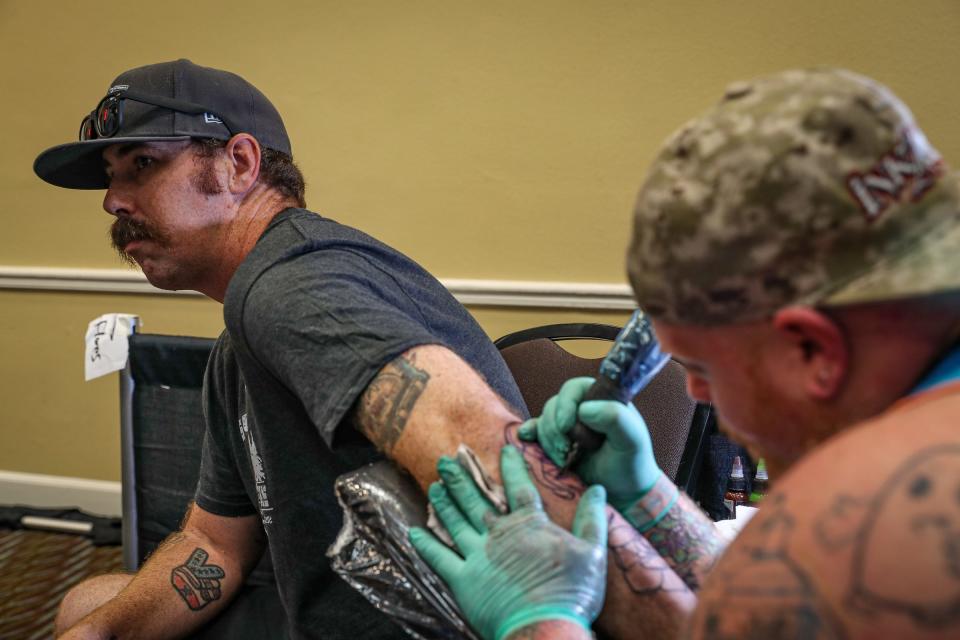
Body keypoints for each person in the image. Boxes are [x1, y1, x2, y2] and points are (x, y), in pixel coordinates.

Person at [35, 59, 693, 640]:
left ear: (239, 163)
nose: (113, 201)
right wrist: (101, 632)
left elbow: (497, 464)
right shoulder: (245, 336)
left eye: (144, 165)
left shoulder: (291, 287)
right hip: (315, 606)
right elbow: (213, 542)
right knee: (90, 604)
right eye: (111, 176)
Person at [412, 68, 960, 639]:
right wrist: (653, 502)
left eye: (701, 370)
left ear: (812, 348)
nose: (697, 394)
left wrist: (542, 621)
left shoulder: (865, 520)